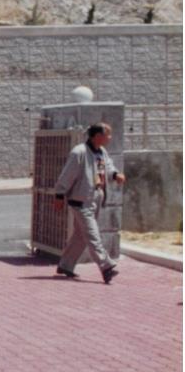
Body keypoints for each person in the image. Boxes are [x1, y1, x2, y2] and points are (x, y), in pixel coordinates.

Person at [54, 122, 125, 284]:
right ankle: (106, 266)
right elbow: (67, 175)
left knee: (80, 235)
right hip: (80, 200)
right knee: (93, 235)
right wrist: (59, 195)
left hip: (96, 197)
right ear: (97, 136)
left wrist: (115, 175)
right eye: (108, 134)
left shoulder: (101, 151)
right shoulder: (79, 152)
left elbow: (107, 166)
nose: (110, 137)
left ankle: (65, 265)